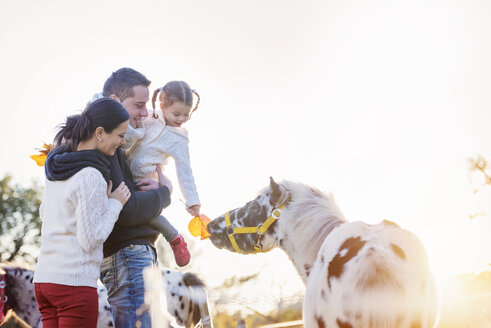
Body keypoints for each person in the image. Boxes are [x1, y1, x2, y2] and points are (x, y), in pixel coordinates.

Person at [33, 98, 131, 328]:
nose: (122, 141)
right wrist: (115, 204)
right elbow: (90, 239)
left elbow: (44, 213)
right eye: (120, 134)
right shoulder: (91, 176)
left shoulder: (56, 168)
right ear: (100, 132)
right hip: (73, 284)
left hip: (44, 280)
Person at [98, 68, 172, 328]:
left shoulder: (117, 142)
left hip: (130, 255)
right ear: (116, 101)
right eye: (139, 105)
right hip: (127, 254)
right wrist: (164, 195)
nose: (144, 112)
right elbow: (126, 210)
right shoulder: (107, 143)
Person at [123, 80, 202, 268]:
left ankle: (174, 238)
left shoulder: (179, 139)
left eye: (186, 114)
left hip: (146, 177)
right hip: (125, 167)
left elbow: (185, 170)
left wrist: (193, 200)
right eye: (176, 113)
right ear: (162, 106)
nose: (181, 119)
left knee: (146, 211)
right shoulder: (148, 117)